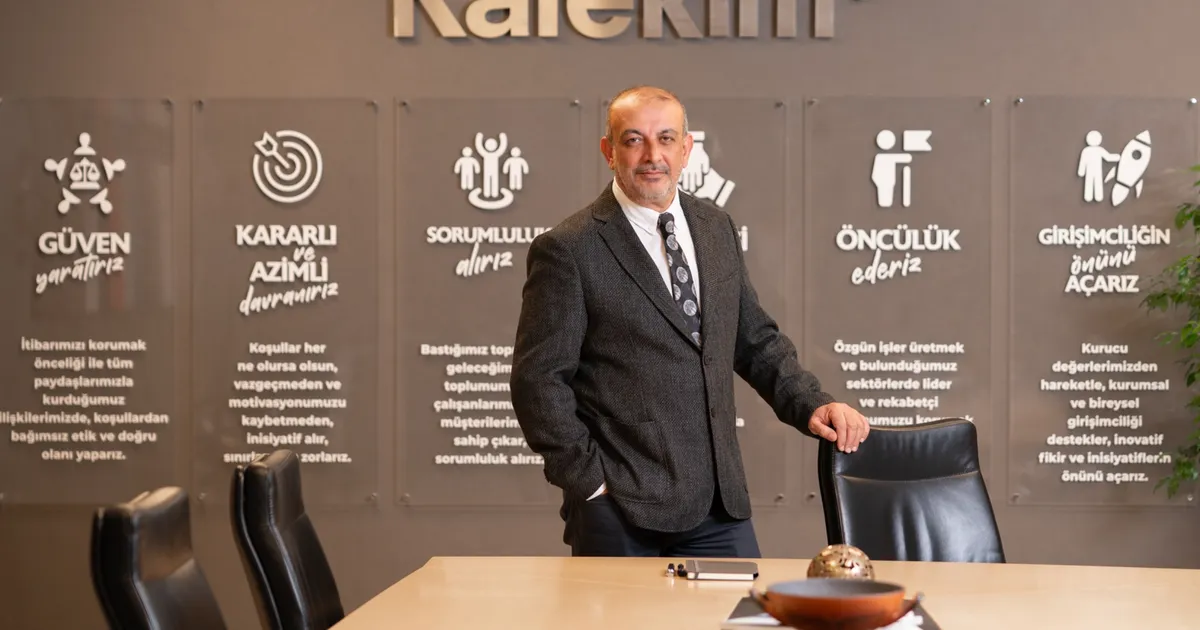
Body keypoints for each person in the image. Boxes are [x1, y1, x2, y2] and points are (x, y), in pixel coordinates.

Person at [509, 85, 870, 558]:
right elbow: (538, 381)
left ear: (686, 149)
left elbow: (754, 340)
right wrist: (590, 483)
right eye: (633, 140)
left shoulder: (715, 228)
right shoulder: (569, 248)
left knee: (739, 605)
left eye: (665, 139)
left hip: (719, 504)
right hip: (620, 509)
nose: (652, 155)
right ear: (609, 152)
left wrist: (812, 404)